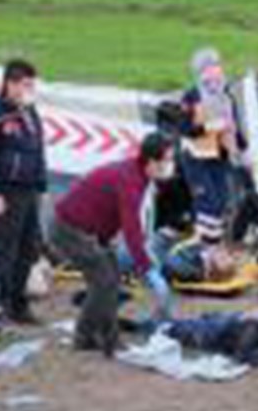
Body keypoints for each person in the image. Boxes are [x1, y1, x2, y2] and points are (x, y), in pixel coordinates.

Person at [50, 134, 176, 355]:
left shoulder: (138, 174)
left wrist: (131, 253)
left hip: (89, 231)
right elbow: (131, 228)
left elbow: (117, 217)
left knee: (110, 279)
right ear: (152, 161)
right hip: (69, 229)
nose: (169, 165)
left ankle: (99, 337)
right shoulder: (130, 180)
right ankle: (94, 338)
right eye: (167, 160)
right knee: (104, 281)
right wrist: (147, 267)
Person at [0, 59, 48, 323]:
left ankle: (18, 303)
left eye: (32, 84)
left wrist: (41, 183)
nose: (30, 89)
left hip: (29, 191)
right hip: (6, 189)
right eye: (26, 84)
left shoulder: (30, 111)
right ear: (10, 84)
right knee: (5, 250)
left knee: (28, 248)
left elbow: (37, 148)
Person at [179, 48, 242, 249]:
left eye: (217, 65)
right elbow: (184, 128)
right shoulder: (192, 96)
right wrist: (208, 127)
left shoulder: (226, 96)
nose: (215, 71)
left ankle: (213, 246)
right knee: (208, 202)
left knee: (222, 201)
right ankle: (204, 247)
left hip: (219, 156)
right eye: (209, 67)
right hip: (196, 157)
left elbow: (234, 125)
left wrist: (241, 148)